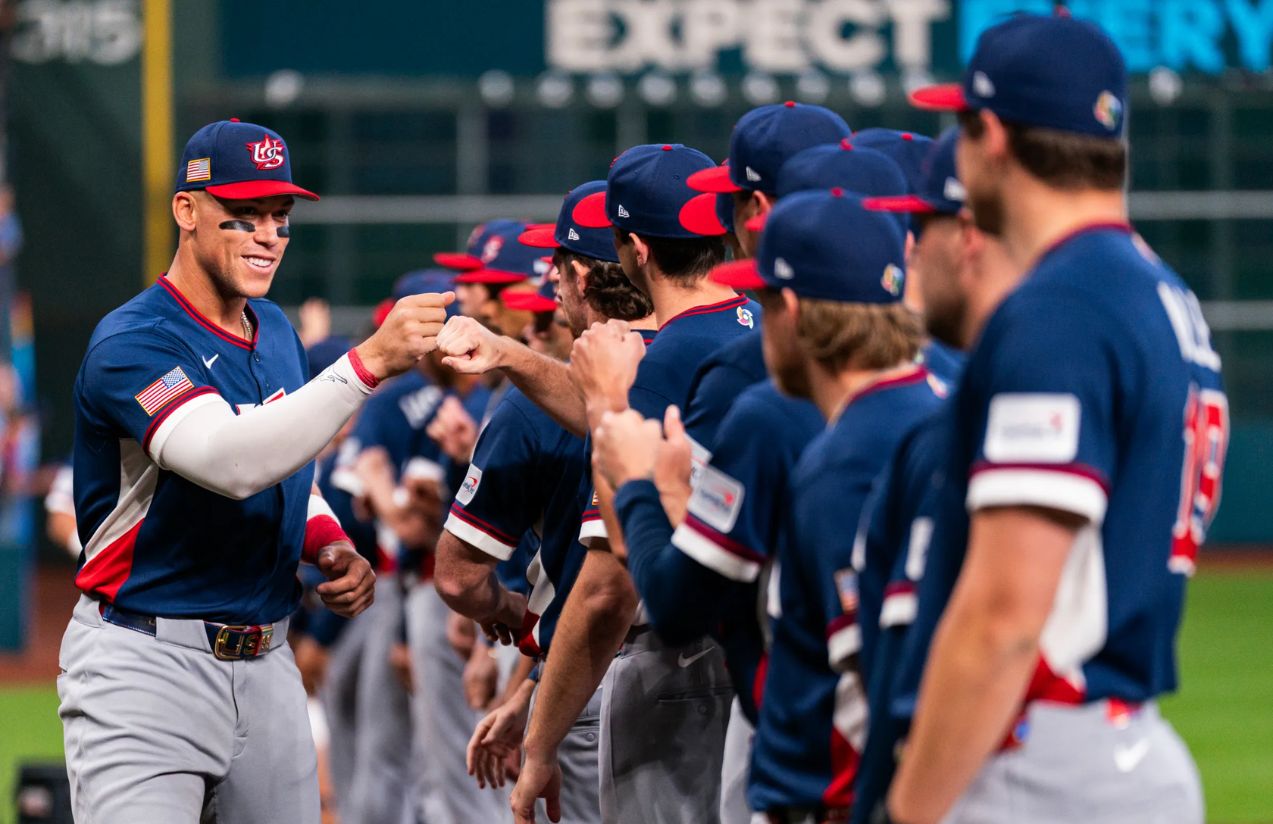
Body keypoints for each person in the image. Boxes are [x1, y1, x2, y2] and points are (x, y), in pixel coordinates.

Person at [59, 118, 451, 823]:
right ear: (187, 210)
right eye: (244, 215)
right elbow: (229, 461)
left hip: (268, 660)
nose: (268, 234)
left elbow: (284, 467)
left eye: (280, 216)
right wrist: (367, 364)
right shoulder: (135, 340)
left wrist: (327, 541)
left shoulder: (273, 330)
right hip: (146, 661)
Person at [887, 14, 1226, 824]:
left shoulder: (1061, 307)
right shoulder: (1158, 290)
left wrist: (908, 811)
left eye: (963, 127)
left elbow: (1005, 615)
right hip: (1123, 743)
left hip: (1036, 756)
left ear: (994, 137)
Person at [435, 180, 657, 824]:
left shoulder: (530, 406)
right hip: (721, 661)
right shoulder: (704, 360)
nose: (551, 285)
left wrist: (513, 618)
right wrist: (528, 689)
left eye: (557, 266)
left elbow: (458, 577)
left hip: (600, 670)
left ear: (580, 277)